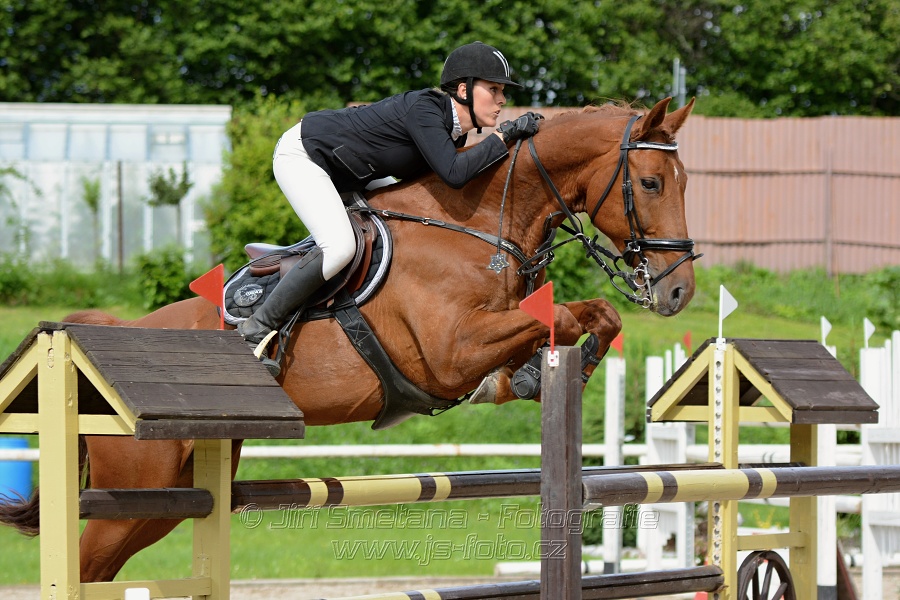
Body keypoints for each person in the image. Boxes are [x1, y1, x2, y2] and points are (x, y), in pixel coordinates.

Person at [238, 41, 542, 376]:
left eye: (503, 92)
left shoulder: (451, 134)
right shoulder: (426, 110)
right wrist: (503, 137)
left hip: (350, 173)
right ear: (463, 90)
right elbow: (456, 174)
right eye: (494, 89)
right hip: (306, 155)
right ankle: (256, 328)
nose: (502, 100)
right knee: (340, 247)